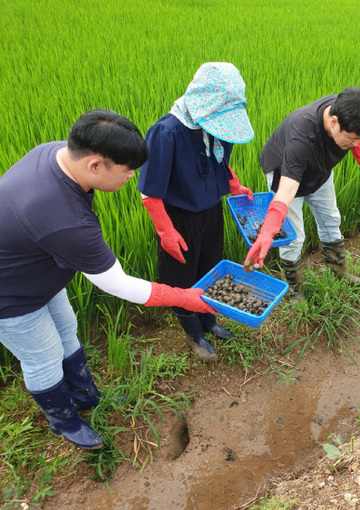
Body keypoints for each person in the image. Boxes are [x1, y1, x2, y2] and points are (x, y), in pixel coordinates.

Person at [0, 110, 216, 450]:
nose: (132, 176)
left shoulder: (56, 153)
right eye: (127, 169)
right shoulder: (65, 220)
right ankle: (64, 421)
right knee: (42, 354)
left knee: (66, 329)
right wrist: (183, 297)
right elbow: (118, 284)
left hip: (38, 269)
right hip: (10, 293)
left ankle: (85, 394)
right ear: (95, 165)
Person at [137, 62, 255, 361]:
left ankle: (210, 321)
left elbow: (219, 162)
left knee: (211, 267)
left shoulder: (218, 125)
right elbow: (150, 191)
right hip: (179, 220)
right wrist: (165, 231)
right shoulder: (167, 132)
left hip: (212, 210)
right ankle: (194, 335)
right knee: (181, 277)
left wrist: (235, 185)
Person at [242, 87, 360, 301]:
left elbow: (355, 136)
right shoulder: (303, 135)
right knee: (294, 237)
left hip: (320, 171)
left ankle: (338, 269)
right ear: (334, 122)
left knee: (331, 220)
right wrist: (269, 229)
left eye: (359, 139)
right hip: (285, 174)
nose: (355, 143)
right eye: (352, 139)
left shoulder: (347, 109)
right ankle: (295, 289)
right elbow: (287, 190)